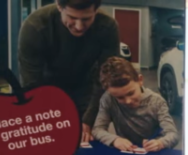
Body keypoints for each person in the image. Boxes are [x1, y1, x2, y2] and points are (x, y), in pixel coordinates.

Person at [17, 0, 120, 144]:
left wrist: (89, 119)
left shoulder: (107, 27)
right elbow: (31, 84)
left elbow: (105, 77)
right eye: (72, 17)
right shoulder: (35, 27)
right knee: (49, 142)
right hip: (46, 89)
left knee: (88, 141)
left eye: (86, 19)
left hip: (86, 89)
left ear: (96, 10)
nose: (79, 26)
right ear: (59, 6)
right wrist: (44, 119)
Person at [92, 57, 180, 152]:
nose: (128, 101)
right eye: (120, 98)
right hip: (126, 152)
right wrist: (115, 140)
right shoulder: (108, 99)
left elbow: (172, 134)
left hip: (154, 153)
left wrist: (160, 143)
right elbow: (97, 129)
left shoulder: (156, 101)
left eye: (131, 93)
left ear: (140, 80)